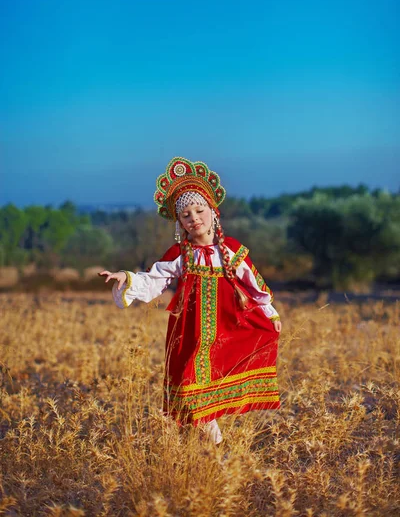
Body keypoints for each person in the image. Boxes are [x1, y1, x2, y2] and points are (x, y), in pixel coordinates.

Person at [100, 157, 281, 444]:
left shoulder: (231, 250)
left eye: (200, 210)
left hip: (226, 326)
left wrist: (269, 314)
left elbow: (253, 283)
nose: (194, 218)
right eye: (186, 214)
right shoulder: (180, 254)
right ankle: (214, 445)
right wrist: (126, 277)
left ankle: (214, 447)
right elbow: (154, 279)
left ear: (213, 212)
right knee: (189, 382)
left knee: (213, 381)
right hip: (189, 331)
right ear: (179, 223)